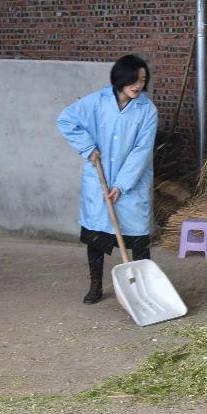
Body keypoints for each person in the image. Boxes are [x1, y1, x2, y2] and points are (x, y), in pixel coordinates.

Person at [57, 54, 159, 304]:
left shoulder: (147, 110)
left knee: (138, 240)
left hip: (131, 184)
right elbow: (66, 120)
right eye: (134, 80)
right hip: (99, 179)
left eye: (143, 80)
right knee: (96, 236)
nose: (138, 85)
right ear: (120, 79)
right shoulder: (96, 102)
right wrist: (87, 147)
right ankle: (95, 286)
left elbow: (142, 151)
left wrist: (121, 185)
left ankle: (142, 290)